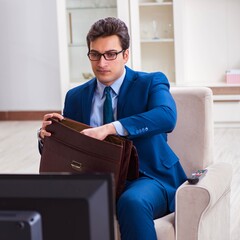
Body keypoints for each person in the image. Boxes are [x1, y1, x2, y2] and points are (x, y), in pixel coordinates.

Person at [38, 17, 186, 240]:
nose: (101, 63)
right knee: (49, 199)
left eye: (110, 54)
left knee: (132, 202)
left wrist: (111, 128)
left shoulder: (151, 82)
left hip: (148, 178)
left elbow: (167, 117)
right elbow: (71, 151)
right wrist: (47, 138)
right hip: (97, 179)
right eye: (95, 54)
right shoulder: (75, 97)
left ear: (125, 55)